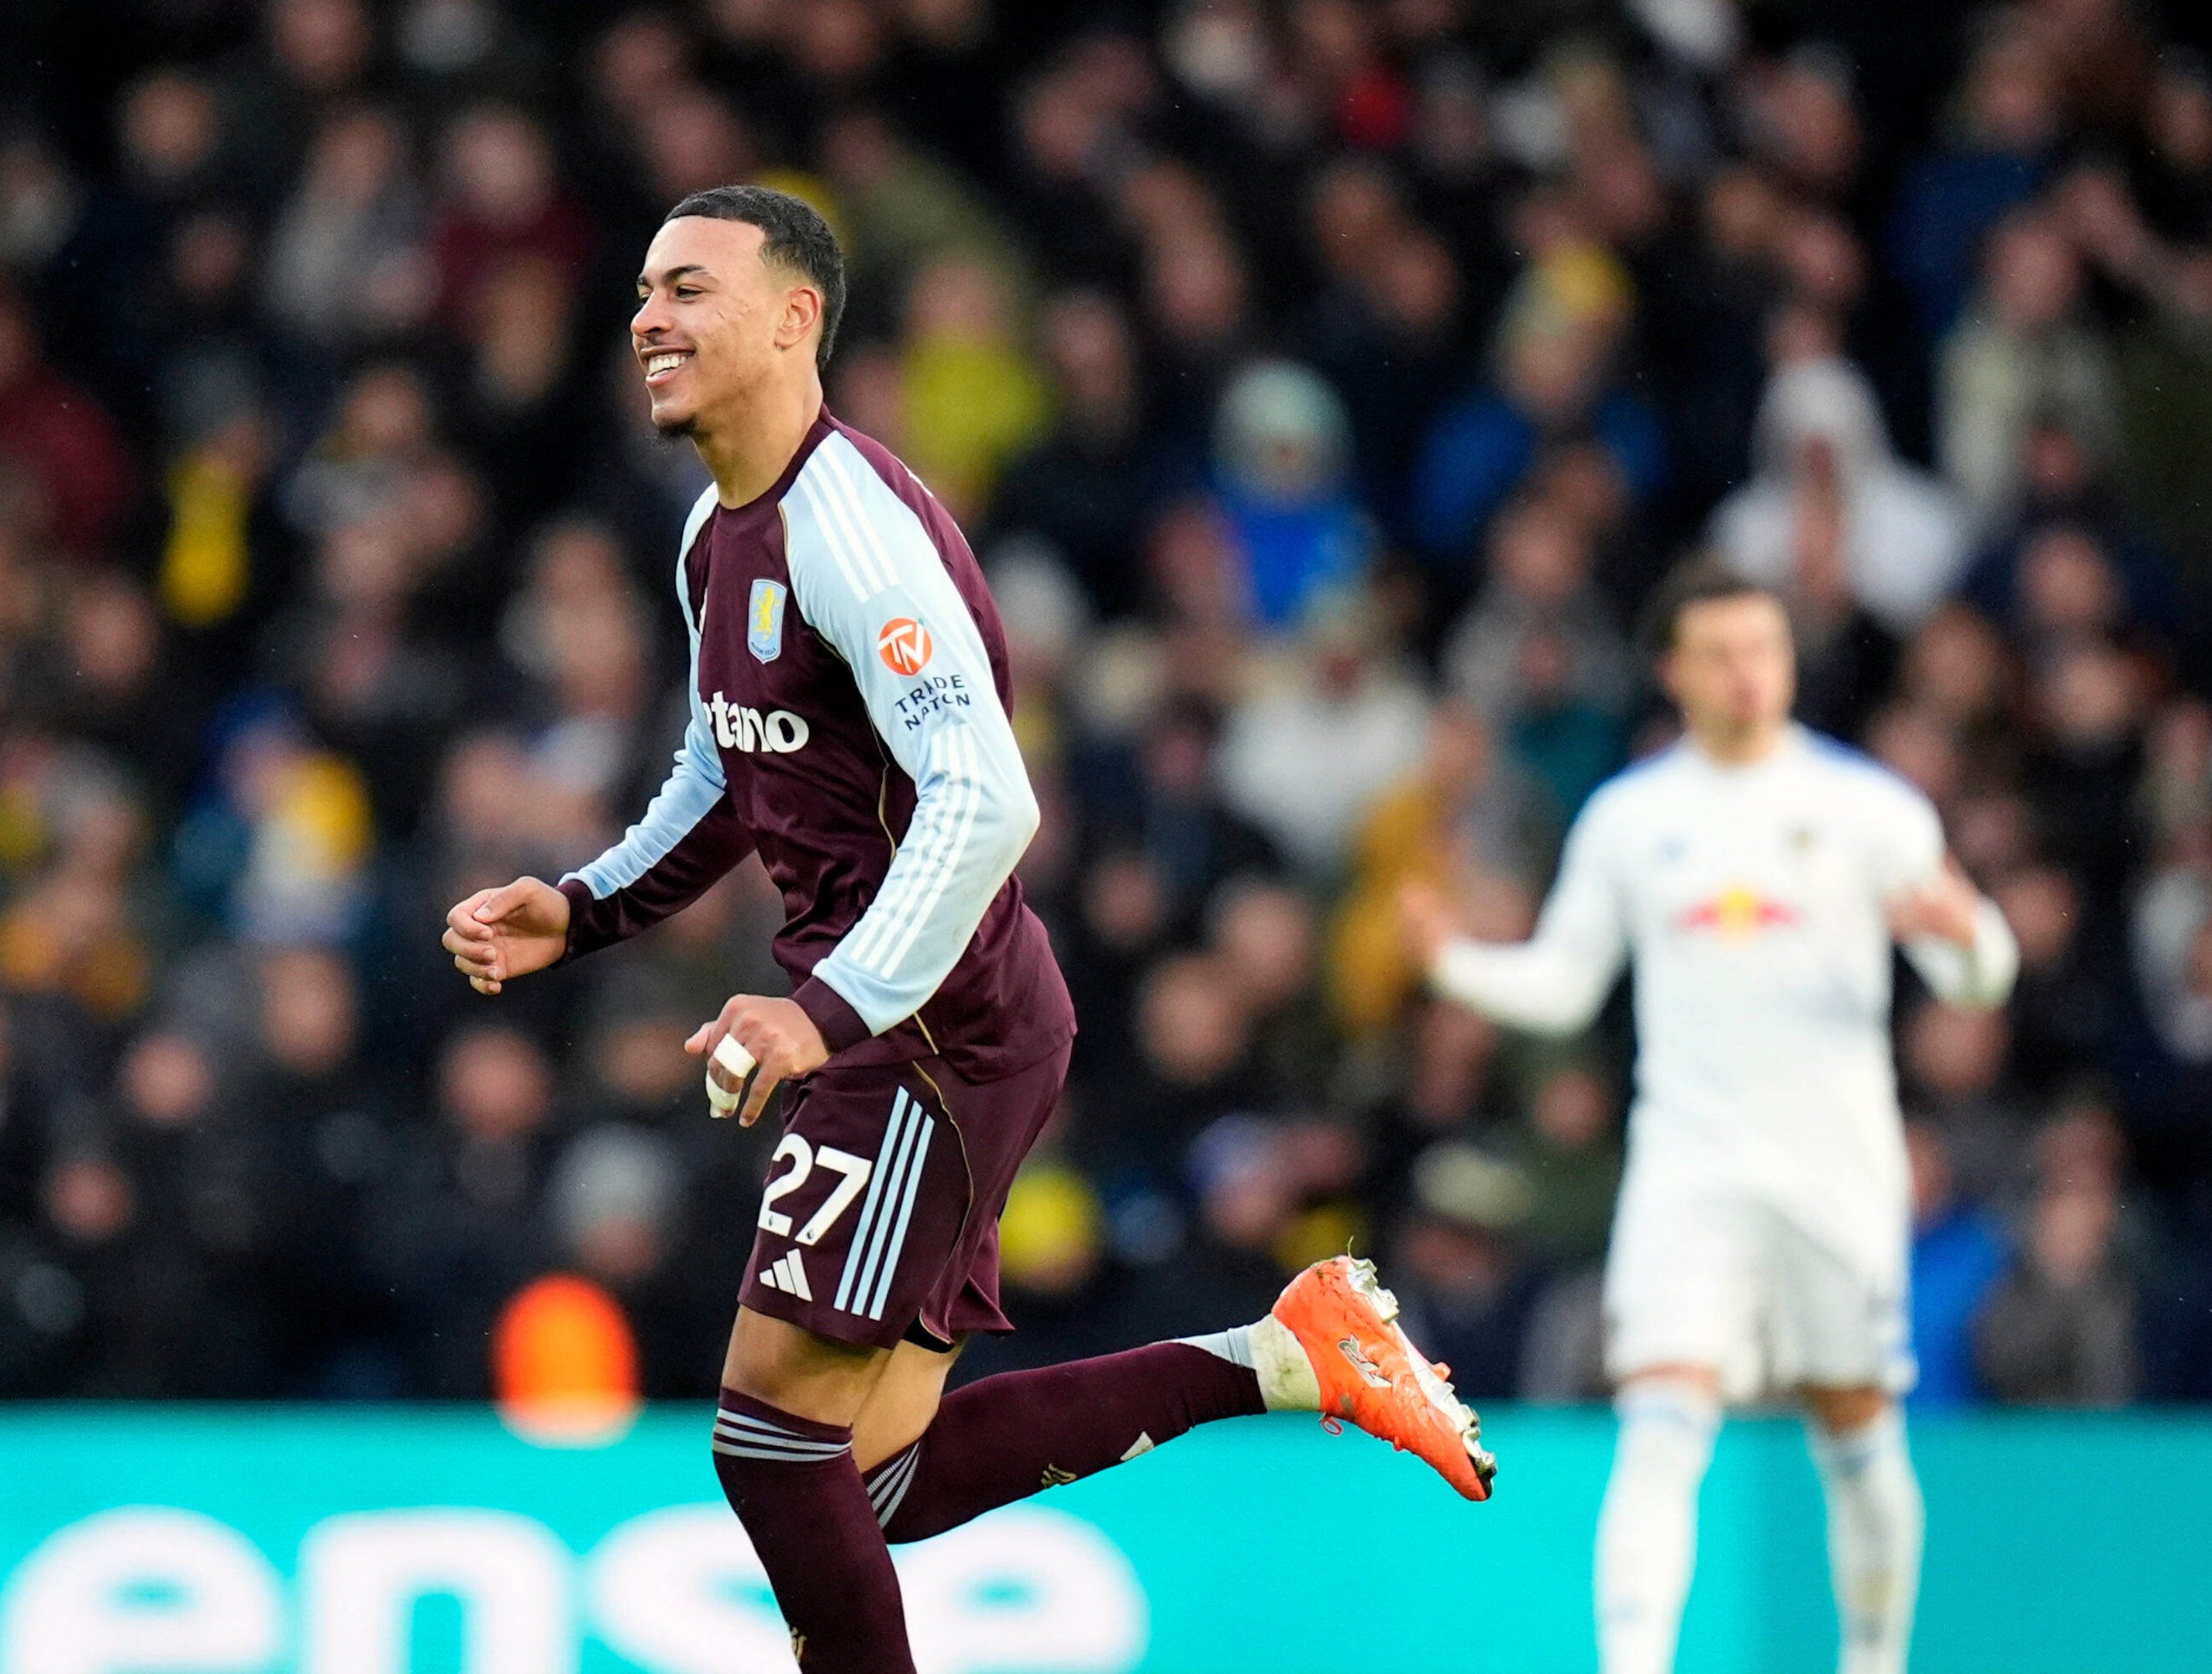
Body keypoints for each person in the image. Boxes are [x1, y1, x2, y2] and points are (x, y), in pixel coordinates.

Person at [443, 185, 1491, 1672]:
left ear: (795, 317)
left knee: (768, 1445)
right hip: (921, 1023)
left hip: (931, 1032)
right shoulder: (713, 536)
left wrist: (825, 1012)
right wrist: (586, 906)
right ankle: (1285, 1357)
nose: (647, 320)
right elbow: (725, 764)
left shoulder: (850, 532)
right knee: (873, 1478)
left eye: (688, 290)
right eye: (643, 293)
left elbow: (991, 797)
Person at [1400, 564, 2019, 1674]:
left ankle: (1874, 1660)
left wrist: (1971, 937)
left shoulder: (1868, 809)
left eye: (1763, 650)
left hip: (1836, 1168)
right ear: (1672, 671)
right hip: (1688, 1168)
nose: (1746, 674)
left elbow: (1979, 979)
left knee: (1859, 1434)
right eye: (1720, 653)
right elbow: (1567, 983)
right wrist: (1455, 964)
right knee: (1659, 1428)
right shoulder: (1633, 819)